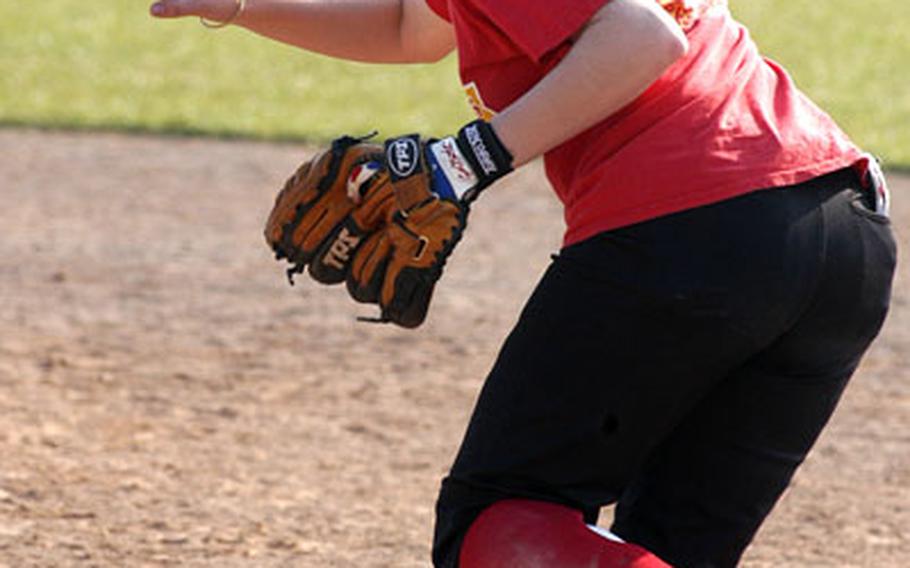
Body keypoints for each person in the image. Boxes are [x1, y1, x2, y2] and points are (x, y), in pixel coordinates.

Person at [151, 1, 897, 566]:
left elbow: (641, 34)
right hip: (838, 242)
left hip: (695, 230)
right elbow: (413, 26)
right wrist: (243, 7)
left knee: (502, 521)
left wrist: (460, 163)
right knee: (662, 546)